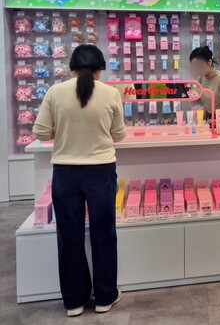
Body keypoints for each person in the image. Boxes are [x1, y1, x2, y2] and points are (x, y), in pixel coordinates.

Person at [32, 44, 126, 317]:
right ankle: (105, 297)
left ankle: (74, 301)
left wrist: (66, 130)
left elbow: (41, 131)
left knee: (69, 236)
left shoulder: (55, 92)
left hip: (65, 172)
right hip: (100, 170)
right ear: (100, 69)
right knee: (104, 234)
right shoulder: (110, 93)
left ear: (72, 68)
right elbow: (118, 135)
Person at [189, 46, 220, 121]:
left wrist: (219, 120)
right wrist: (201, 122)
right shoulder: (202, 78)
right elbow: (208, 105)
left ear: (209, 62)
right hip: (210, 120)